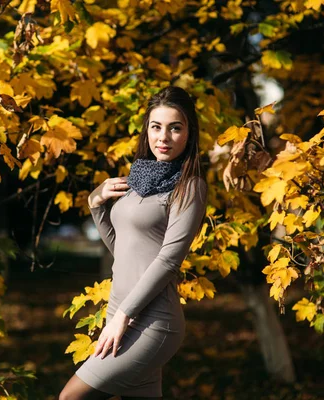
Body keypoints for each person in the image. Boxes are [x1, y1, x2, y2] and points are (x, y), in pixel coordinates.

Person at [59, 86, 208, 400]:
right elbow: (124, 250)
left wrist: (123, 317)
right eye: (156, 127)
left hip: (154, 320)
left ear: (189, 134)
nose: (163, 137)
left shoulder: (189, 186)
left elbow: (168, 260)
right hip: (120, 311)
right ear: (147, 131)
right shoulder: (137, 182)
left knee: (70, 397)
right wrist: (95, 203)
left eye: (175, 128)